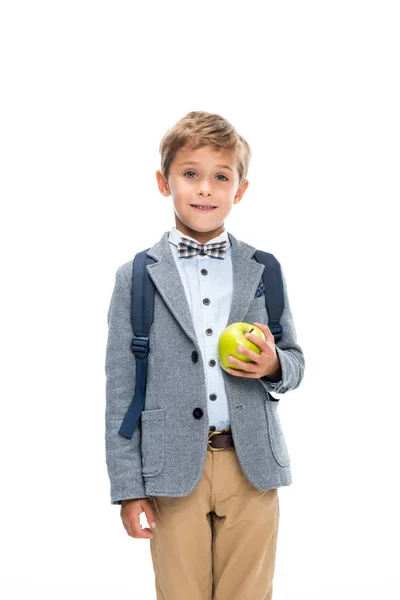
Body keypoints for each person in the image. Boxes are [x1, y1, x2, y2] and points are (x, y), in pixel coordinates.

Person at [105, 110, 305, 600]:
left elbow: (296, 361)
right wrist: (128, 488)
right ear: (163, 181)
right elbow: (120, 391)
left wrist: (274, 364)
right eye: (190, 174)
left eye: (221, 177)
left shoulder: (263, 269)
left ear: (239, 190)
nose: (205, 189)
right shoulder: (136, 277)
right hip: (171, 469)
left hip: (251, 465)